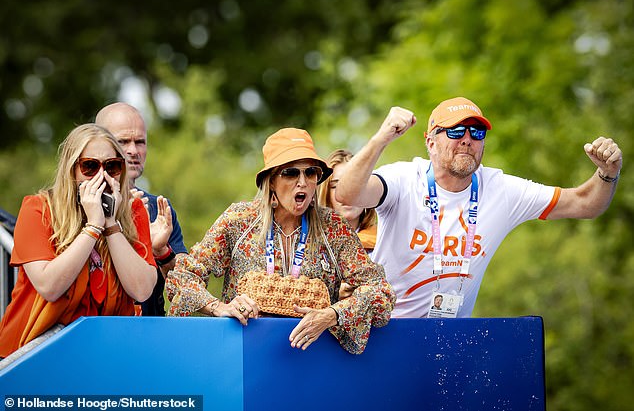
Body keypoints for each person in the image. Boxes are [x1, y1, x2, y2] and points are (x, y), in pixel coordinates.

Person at [336, 97, 622, 318]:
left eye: (477, 133)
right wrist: (381, 137)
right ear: (430, 142)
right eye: (456, 130)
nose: (467, 140)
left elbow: (585, 203)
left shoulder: (500, 190)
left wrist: (608, 172)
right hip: (386, 331)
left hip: (451, 341)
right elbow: (348, 193)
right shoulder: (404, 179)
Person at [166, 128, 395, 354]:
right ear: (271, 180)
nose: (303, 182)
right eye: (291, 173)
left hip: (314, 359)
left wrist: (332, 315)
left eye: (311, 172)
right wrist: (219, 307)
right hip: (243, 361)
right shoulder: (239, 221)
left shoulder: (333, 227)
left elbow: (380, 291)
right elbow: (183, 277)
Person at [0, 124, 157, 358]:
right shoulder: (38, 208)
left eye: (112, 167)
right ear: (71, 169)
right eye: (90, 167)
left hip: (98, 354)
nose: (101, 176)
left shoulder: (133, 210)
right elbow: (49, 287)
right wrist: (92, 227)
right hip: (31, 353)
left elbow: (142, 290)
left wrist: (111, 225)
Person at [96, 102, 187, 316]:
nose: (133, 151)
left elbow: (186, 287)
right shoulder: (79, 205)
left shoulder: (158, 208)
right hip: (96, 330)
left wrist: (161, 252)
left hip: (149, 331)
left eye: (140, 142)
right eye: (123, 141)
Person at [319, 149, 378, 300]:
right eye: (335, 186)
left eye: (354, 184)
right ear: (325, 192)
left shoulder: (384, 240)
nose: (347, 193)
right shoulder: (310, 240)